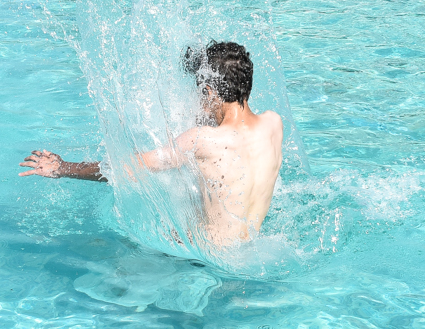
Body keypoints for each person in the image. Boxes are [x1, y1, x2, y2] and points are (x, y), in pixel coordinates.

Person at [21, 41, 284, 249]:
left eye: (200, 92)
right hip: (250, 248)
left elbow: (126, 169)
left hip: (204, 255)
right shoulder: (273, 125)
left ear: (209, 92)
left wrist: (63, 168)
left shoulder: (201, 140)